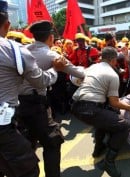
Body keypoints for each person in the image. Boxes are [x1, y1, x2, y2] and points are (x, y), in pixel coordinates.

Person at [15, 20, 85, 177]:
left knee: (28, 142)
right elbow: (78, 73)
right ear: (51, 37)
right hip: (37, 106)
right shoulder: (51, 55)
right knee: (53, 142)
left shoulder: (22, 50)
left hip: (17, 104)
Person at [0, 1, 59, 177]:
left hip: (17, 115)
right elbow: (41, 81)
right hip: (4, 125)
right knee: (28, 170)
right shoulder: (14, 50)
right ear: (7, 25)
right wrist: (56, 69)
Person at [71, 46, 130, 177]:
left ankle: (98, 149)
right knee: (124, 126)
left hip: (75, 106)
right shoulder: (112, 75)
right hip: (90, 108)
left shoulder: (92, 67)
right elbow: (114, 102)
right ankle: (109, 162)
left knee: (103, 121)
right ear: (114, 60)